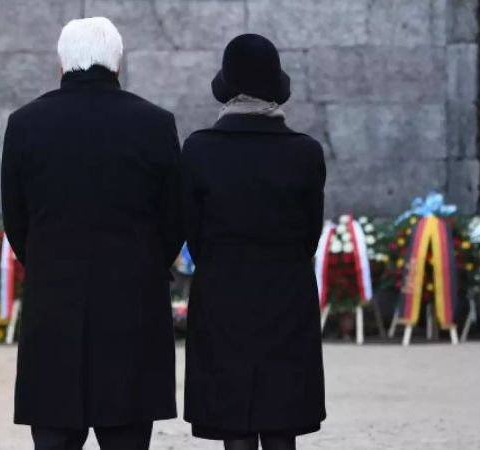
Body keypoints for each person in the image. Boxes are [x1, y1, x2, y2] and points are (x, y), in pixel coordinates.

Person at [1, 17, 183, 450]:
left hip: (54, 303)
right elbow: (175, 218)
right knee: (127, 436)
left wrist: (49, 262)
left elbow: (16, 219)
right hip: (133, 304)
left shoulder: (25, 124)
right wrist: (145, 263)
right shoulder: (155, 123)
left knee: (54, 436)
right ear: (117, 62)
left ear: (62, 63)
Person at [181, 34, 327, 450]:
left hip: (223, 291)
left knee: (235, 421)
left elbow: (193, 232)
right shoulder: (304, 152)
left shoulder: (199, 150)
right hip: (286, 291)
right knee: (282, 418)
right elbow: (309, 235)